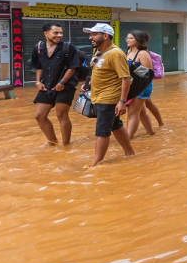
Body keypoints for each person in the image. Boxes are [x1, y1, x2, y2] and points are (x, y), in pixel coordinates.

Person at [81, 23, 135, 167]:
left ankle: (96, 163)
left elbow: (126, 78)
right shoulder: (97, 51)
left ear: (105, 36)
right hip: (97, 96)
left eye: (94, 34)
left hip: (109, 98)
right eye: (90, 34)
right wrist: (88, 85)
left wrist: (122, 101)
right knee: (116, 125)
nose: (90, 37)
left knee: (102, 131)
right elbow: (98, 71)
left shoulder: (116, 54)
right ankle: (130, 153)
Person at [31, 23, 80, 146]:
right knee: (39, 116)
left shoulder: (68, 48)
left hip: (65, 86)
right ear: (46, 33)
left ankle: (66, 145)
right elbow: (38, 67)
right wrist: (38, 82)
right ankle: (53, 142)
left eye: (61, 33)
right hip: (46, 85)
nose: (59, 35)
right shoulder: (38, 48)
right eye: (56, 33)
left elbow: (72, 67)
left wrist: (62, 82)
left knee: (61, 115)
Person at [125, 30, 155, 139]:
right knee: (141, 112)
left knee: (132, 114)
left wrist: (133, 69)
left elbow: (148, 74)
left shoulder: (143, 54)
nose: (127, 40)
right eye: (127, 38)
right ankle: (151, 133)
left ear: (138, 40)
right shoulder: (128, 52)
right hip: (131, 86)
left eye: (130, 38)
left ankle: (127, 138)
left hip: (141, 87)